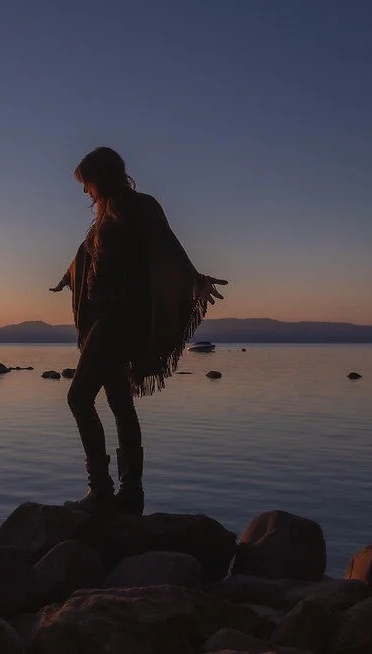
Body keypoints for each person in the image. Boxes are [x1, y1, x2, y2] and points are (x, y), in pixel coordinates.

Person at [50, 146, 226, 514]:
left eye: (87, 183)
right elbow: (85, 256)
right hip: (106, 319)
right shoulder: (102, 221)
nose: (85, 192)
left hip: (119, 320)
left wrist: (193, 277)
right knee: (119, 403)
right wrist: (69, 278)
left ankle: (100, 491)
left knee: (78, 399)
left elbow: (168, 244)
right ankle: (130, 494)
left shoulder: (140, 206)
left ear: (103, 177)